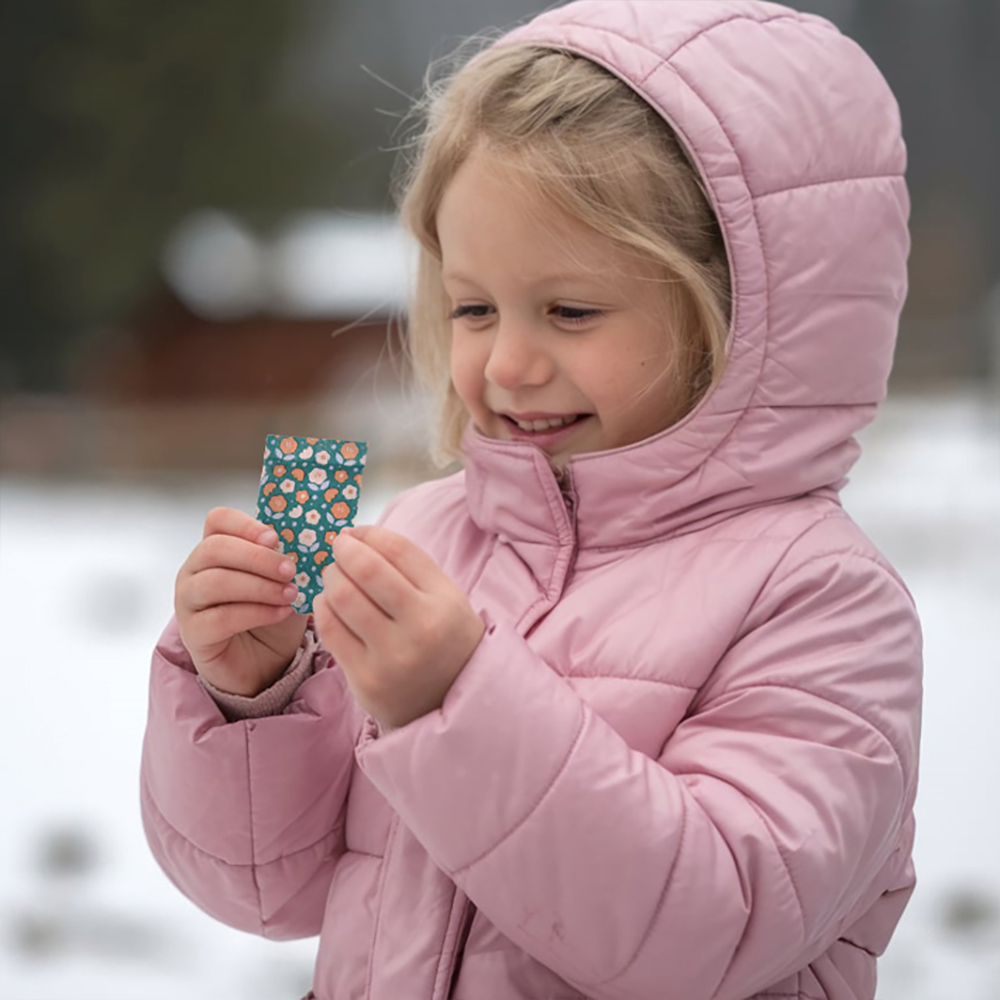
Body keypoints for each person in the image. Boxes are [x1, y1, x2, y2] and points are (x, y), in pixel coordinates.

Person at [140, 2, 923, 998]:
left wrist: (456, 703)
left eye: (570, 310)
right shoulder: (427, 535)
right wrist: (255, 698)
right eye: (472, 307)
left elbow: (709, 930)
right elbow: (271, 891)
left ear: (741, 316)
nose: (507, 361)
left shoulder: (821, 601)